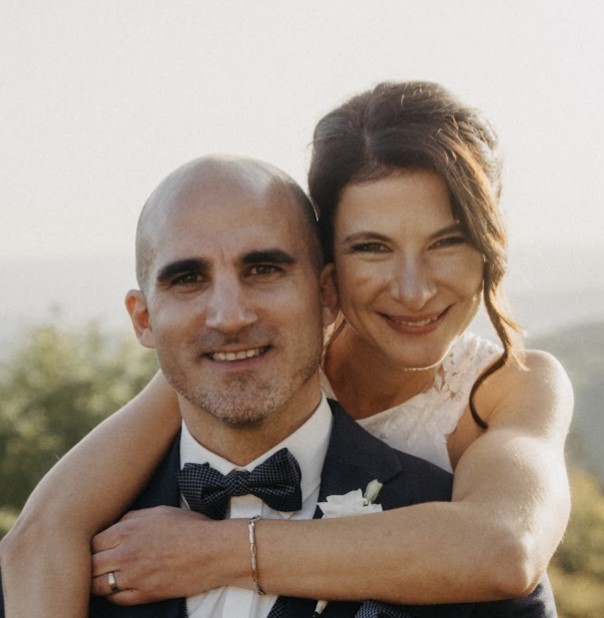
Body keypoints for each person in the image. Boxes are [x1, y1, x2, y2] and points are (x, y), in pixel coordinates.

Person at [0, 82, 572, 616]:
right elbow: (47, 526)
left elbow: (507, 548)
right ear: (329, 272)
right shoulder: (249, 354)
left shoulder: (512, 386)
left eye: (448, 242)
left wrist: (216, 551)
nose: (414, 290)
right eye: (372, 247)